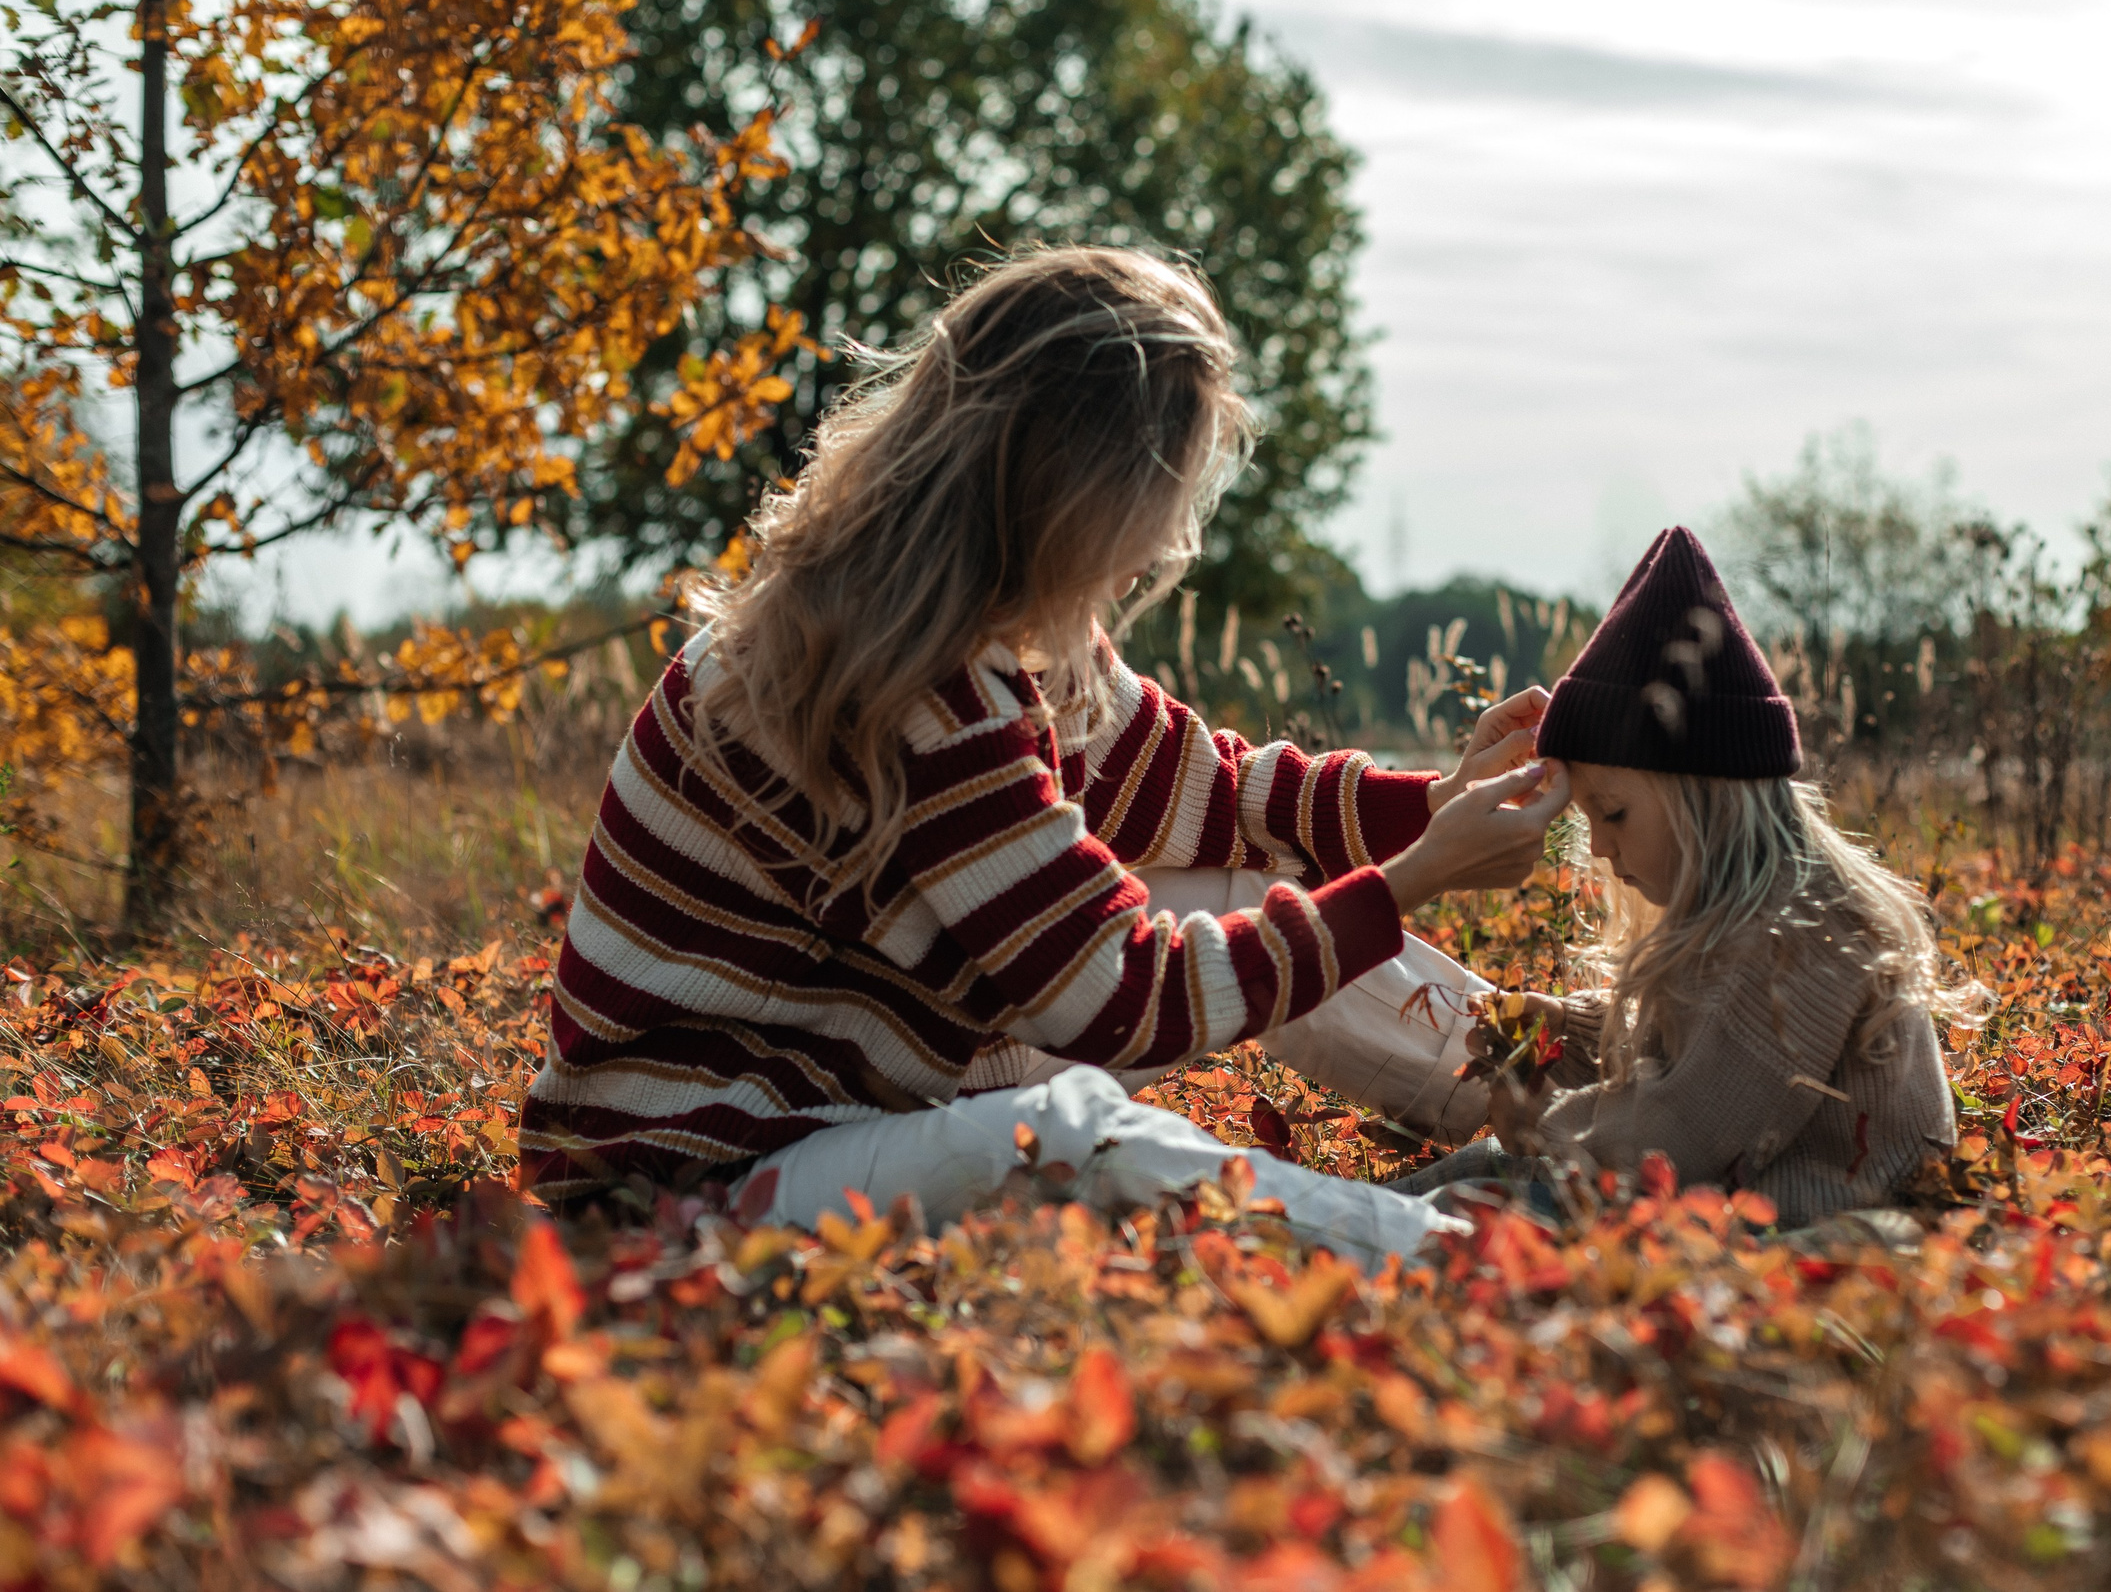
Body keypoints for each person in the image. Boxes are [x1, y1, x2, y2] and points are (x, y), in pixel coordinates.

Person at [517, 246, 1569, 1265]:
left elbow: (1212, 791)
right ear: (1078, 494)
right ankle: (1450, 1260)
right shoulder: (917, 680)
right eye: (1157, 509)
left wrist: (1433, 802)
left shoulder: (995, 625)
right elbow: (1115, 998)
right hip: (694, 1181)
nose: (1163, 551)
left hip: (863, 1098)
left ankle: (1576, 1121)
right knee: (1065, 1134)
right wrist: (1417, 877)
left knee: (1244, 880)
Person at [1393, 526, 1960, 1227]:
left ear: (1704, 800)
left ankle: (1335, 1235)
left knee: (1501, 1198)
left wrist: (1540, 1125)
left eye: (1614, 813)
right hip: (1725, 1195)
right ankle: (1347, 1217)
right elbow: (1689, 1045)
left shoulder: (1806, 937)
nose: (1598, 845)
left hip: (1815, 1221)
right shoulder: (1752, 918)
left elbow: (1680, 1130)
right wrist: (1564, 1031)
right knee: (1483, 1173)